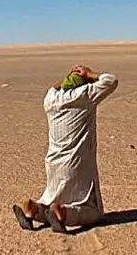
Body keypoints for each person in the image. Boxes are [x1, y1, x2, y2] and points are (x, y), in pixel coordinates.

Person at [12, 64, 119, 234]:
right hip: (76, 161)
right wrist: (90, 74)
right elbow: (111, 80)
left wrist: (68, 78)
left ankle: (32, 208)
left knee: (53, 196)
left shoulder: (50, 99)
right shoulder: (84, 96)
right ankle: (63, 213)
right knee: (93, 211)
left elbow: (54, 88)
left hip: (54, 161)